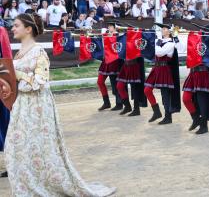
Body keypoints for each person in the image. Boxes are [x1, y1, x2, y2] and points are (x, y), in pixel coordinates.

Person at [6, 13, 116, 195]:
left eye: (16, 25)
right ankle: (28, 185)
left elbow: (40, 81)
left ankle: (42, 185)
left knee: (37, 148)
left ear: (28, 29)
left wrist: (18, 76)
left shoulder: (38, 51)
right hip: (22, 107)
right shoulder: (20, 52)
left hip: (37, 107)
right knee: (17, 147)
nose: (13, 28)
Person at [182, 25, 209, 134]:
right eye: (201, 30)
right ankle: (196, 119)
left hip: (202, 73)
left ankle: (204, 125)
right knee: (186, 98)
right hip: (193, 73)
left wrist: (208, 34)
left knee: (201, 101)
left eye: (203, 31)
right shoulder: (196, 40)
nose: (200, 32)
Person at [144, 23, 181, 124]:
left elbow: (159, 52)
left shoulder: (171, 44)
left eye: (164, 29)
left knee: (165, 95)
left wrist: (156, 41)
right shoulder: (159, 41)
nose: (162, 30)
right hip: (156, 68)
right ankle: (156, 112)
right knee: (147, 90)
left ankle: (168, 117)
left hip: (164, 69)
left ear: (169, 31)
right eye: (162, 29)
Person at [97, 22, 123, 112]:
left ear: (115, 27)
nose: (109, 27)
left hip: (114, 61)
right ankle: (106, 102)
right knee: (100, 81)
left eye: (111, 26)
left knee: (114, 83)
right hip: (106, 60)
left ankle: (119, 103)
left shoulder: (119, 36)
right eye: (108, 26)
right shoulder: (106, 35)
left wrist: (114, 34)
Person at [0, 26, 12, 178]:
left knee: (5, 124)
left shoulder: (1, 30)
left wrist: (7, 83)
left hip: (1, 83)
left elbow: (6, 57)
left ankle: (11, 164)